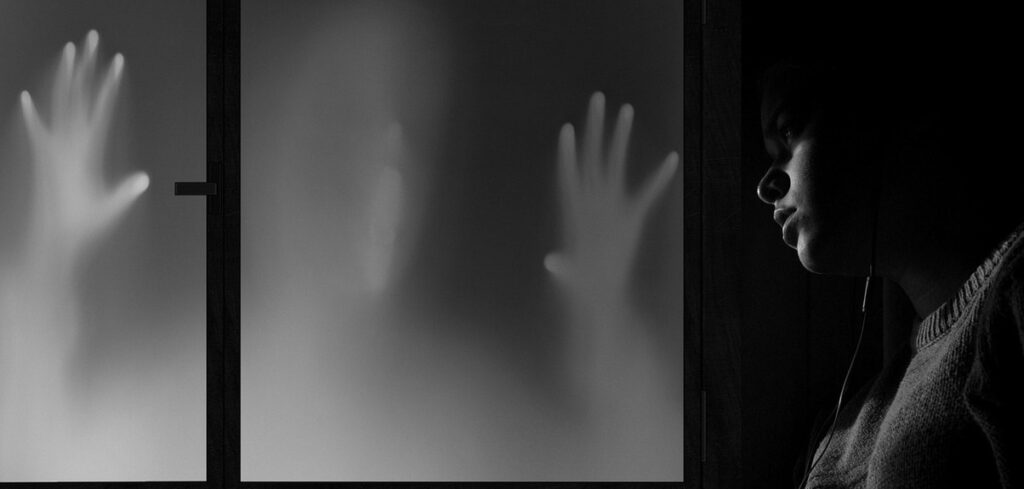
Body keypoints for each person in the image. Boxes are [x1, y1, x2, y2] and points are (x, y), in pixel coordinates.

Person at [754, 18, 1023, 489]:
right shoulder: (845, 420)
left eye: (790, 131)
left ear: (877, 112)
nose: (765, 185)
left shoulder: (1013, 298)